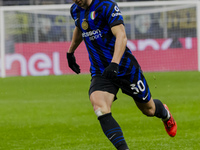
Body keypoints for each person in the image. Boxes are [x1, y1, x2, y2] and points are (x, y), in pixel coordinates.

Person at [67, 0, 177, 149]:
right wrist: (70, 51)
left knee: (149, 110)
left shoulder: (107, 5)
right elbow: (80, 28)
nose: (76, 0)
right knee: (100, 108)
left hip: (125, 68)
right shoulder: (75, 10)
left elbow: (121, 35)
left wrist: (115, 64)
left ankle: (165, 114)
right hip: (101, 71)